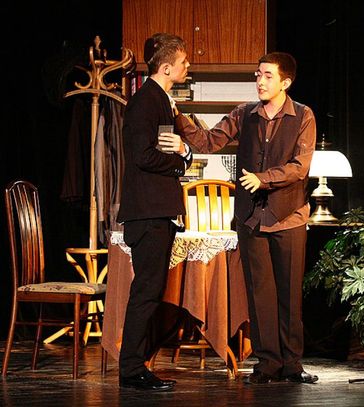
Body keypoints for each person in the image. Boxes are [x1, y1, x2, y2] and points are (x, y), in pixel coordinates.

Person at [177, 52, 318, 384]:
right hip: (252, 218)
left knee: (289, 295)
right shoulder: (244, 114)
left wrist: (263, 178)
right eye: (258, 74)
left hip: (288, 217)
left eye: (268, 76)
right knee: (260, 294)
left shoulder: (303, 115)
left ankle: (292, 364)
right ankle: (268, 363)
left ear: (286, 82)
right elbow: (209, 141)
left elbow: (300, 167)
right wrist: (177, 118)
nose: (260, 81)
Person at [117, 32, 193, 391]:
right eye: (183, 62)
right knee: (146, 291)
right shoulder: (146, 102)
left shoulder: (161, 101)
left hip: (156, 211)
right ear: (166, 67)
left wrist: (182, 152)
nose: (187, 66)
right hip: (147, 213)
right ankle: (132, 369)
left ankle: (136, 365)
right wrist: (181, 162)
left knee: (150, 291)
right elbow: (144, 156)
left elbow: (162, 149)